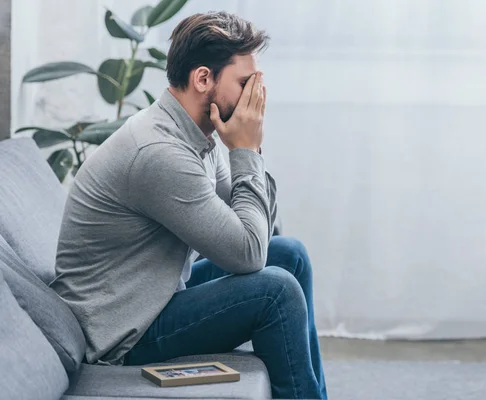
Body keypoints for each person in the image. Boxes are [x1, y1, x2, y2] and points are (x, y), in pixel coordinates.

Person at [50, 11, 327, 399]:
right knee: (274, 291)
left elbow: (257, 225)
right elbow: (246, 254)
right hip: (122, 331)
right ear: (203, 79)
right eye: (245, 84)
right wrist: (246, 150)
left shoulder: (197, 133)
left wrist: (251, 149)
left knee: (289, 255)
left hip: (156, 295)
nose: (255, 97)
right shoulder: (160, 152)